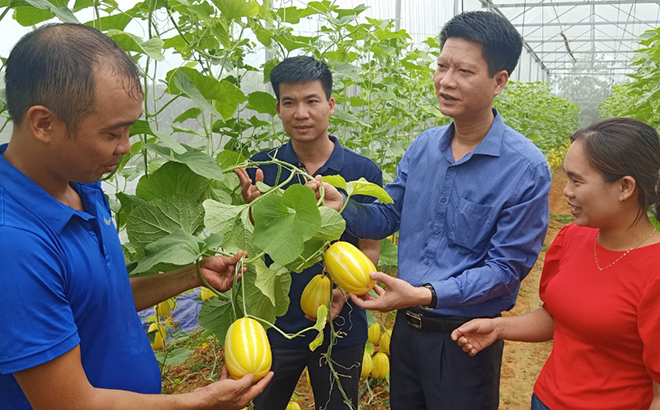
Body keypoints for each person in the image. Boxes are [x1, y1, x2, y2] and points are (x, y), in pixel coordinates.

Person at [0, 23, 272, 410]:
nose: (125, 147)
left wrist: (191, 275)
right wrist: (196, 403)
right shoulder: (13, 243)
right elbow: (71, 404)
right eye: (113, 134)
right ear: (44, 123)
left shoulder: (81, 184)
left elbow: (99, 295)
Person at [309, 11, 552, 410]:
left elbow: (505, 270)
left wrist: (425, 293)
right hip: (408, 331)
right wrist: (343, 206)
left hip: (467, 337)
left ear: (499, 81)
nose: (446, 80)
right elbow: (388, 217)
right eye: (442, 66)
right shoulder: (424, 147)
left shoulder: (524, 167)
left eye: (464, 71)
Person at [452, 118, 660, 410]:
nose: (566, 191)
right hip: (546, 400)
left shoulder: (655, 271)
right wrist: (498, 328)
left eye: (577, 180)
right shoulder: (573, 238)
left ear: (625, 187)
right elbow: (558, 317)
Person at [234, 56, 382, 410]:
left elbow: (370, 248)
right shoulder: (263, 167)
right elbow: (254, 243)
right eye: (290, 102)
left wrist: (345, 291)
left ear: (330, 105)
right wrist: (251, 212)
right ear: (278, 109)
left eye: (311, 101)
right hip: (274, 320)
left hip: (340, 322)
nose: (301, 113)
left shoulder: (362, 172)